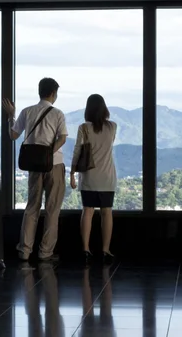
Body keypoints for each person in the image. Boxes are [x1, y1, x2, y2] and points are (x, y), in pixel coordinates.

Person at [2, 78, 68, 262]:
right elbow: (62, 138)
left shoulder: (27, 112)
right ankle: (45, 252)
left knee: (32, 207)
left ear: (40, 91)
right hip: (54, 165)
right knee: (52, 209)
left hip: (33, 167)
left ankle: (24, 250)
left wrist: (10, 116)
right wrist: (48, 153)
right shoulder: (58, 114)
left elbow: (13, 135)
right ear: (53, 93)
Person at [70, 94, 117, 264]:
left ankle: (85, 249)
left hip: (89, 175)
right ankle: (105, 250)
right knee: (107, 212)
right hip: (108, 176)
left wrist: (72, 172)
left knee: (88, 211)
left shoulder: (84, 128)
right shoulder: (113, 127)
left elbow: (77, 151)